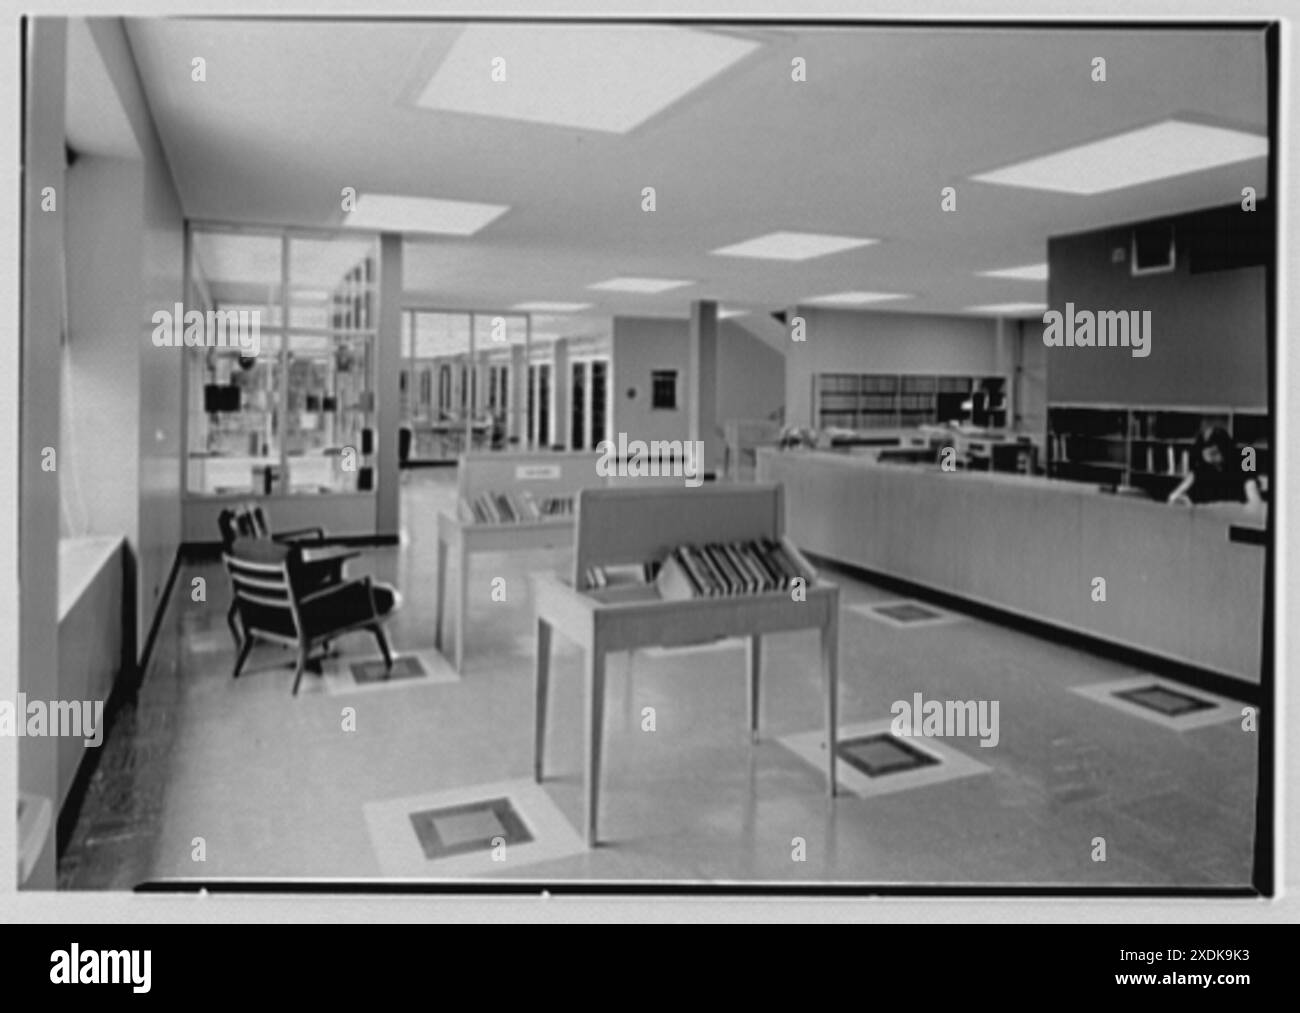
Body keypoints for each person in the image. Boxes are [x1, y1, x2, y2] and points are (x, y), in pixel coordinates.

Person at [1167, 425, 1262, 506]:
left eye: (1215, 452)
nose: (1210, 455)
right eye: (1206, 451)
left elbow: (1256, 504)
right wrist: (1183, 500)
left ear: (1225, 449)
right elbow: (1173, 497)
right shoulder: (1199, 470)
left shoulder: (1245, 468)